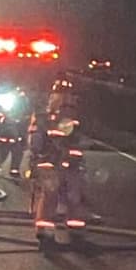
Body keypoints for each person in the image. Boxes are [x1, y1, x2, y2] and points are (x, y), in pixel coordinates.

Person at [27, 82, 87, 243]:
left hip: (68, 164)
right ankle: (46, 230)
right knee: (52, 195)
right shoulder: (43, 117)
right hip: (50, 163)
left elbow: (79, 140)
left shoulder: (71, 118)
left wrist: (74, 156)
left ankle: (73, 227)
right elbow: (35, 142)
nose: (67, 99)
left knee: (72, 195)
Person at [0, 86, 30, 177]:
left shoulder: (23, 101)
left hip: (15, 129)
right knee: (5, 150)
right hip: (8, 130)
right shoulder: (9, 100)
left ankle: (13, 170)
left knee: (16, 151)